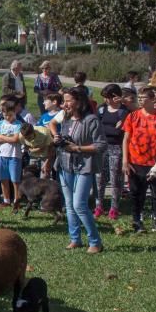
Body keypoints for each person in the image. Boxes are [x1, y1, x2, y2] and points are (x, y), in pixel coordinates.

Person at [56, 88, 106, 253]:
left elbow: (101, 145)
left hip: (84, 166)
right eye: (64, 101)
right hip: (65, 166)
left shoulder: (91, 120)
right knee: (69, 205)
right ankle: (75, 239)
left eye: (68, 100)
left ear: (79, 102)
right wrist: (59, 139)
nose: (65, 104)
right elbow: (64, 138)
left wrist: (78, 148)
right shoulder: (67, 119)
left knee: (79, 205)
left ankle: (95, 241)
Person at [120, 86, 156, 233]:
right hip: (135, 161)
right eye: (140, 98)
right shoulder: (133, 116)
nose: (141, 100)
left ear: (152, 100)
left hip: (154, 162)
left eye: (144, 98)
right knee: (137, 193)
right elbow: (126, 139)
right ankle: (137, 221)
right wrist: (125, 160)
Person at [94, 84, 128, 219]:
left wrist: (109, 129)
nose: (106, 100)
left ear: (115, 97)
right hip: (102, 147)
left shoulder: (124, 111)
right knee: (99, 178)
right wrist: (112, 129)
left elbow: (120, 132)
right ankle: (99, 205)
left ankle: (114, 208)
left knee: (115, 180)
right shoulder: (101, 110)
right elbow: (96, 127)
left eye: (108, 97)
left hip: (116, 148)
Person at [0, 100, 23, 207]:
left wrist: (2, 137)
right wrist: (3, 138)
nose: (7, 117)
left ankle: (17, 200)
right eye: (5, 115)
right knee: (3, 178)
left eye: (10, 115)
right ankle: (6, 200)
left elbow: (15, 139)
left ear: (15, 113)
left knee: (15, 180)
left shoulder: (18, 124)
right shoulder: (0, 123)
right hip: (1, 155)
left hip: (14, 155)